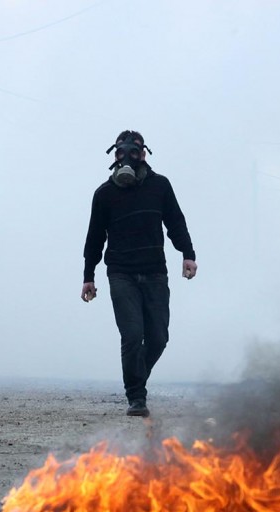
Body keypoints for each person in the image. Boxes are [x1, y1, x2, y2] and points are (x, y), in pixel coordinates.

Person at [80, 130, 197, 417]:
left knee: (158, 338)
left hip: (155, 271)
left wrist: (188, 255)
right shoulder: (104, 195)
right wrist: (88, 276)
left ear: (143, 154)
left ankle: (137, 376)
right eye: (122, 153)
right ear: (115, 156)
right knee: (132, 335)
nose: (128, 157)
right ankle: (136, 397)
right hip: (121, 274)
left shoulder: (160, 186)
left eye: (135, 152)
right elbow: (94, 238)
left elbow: (175, 222)